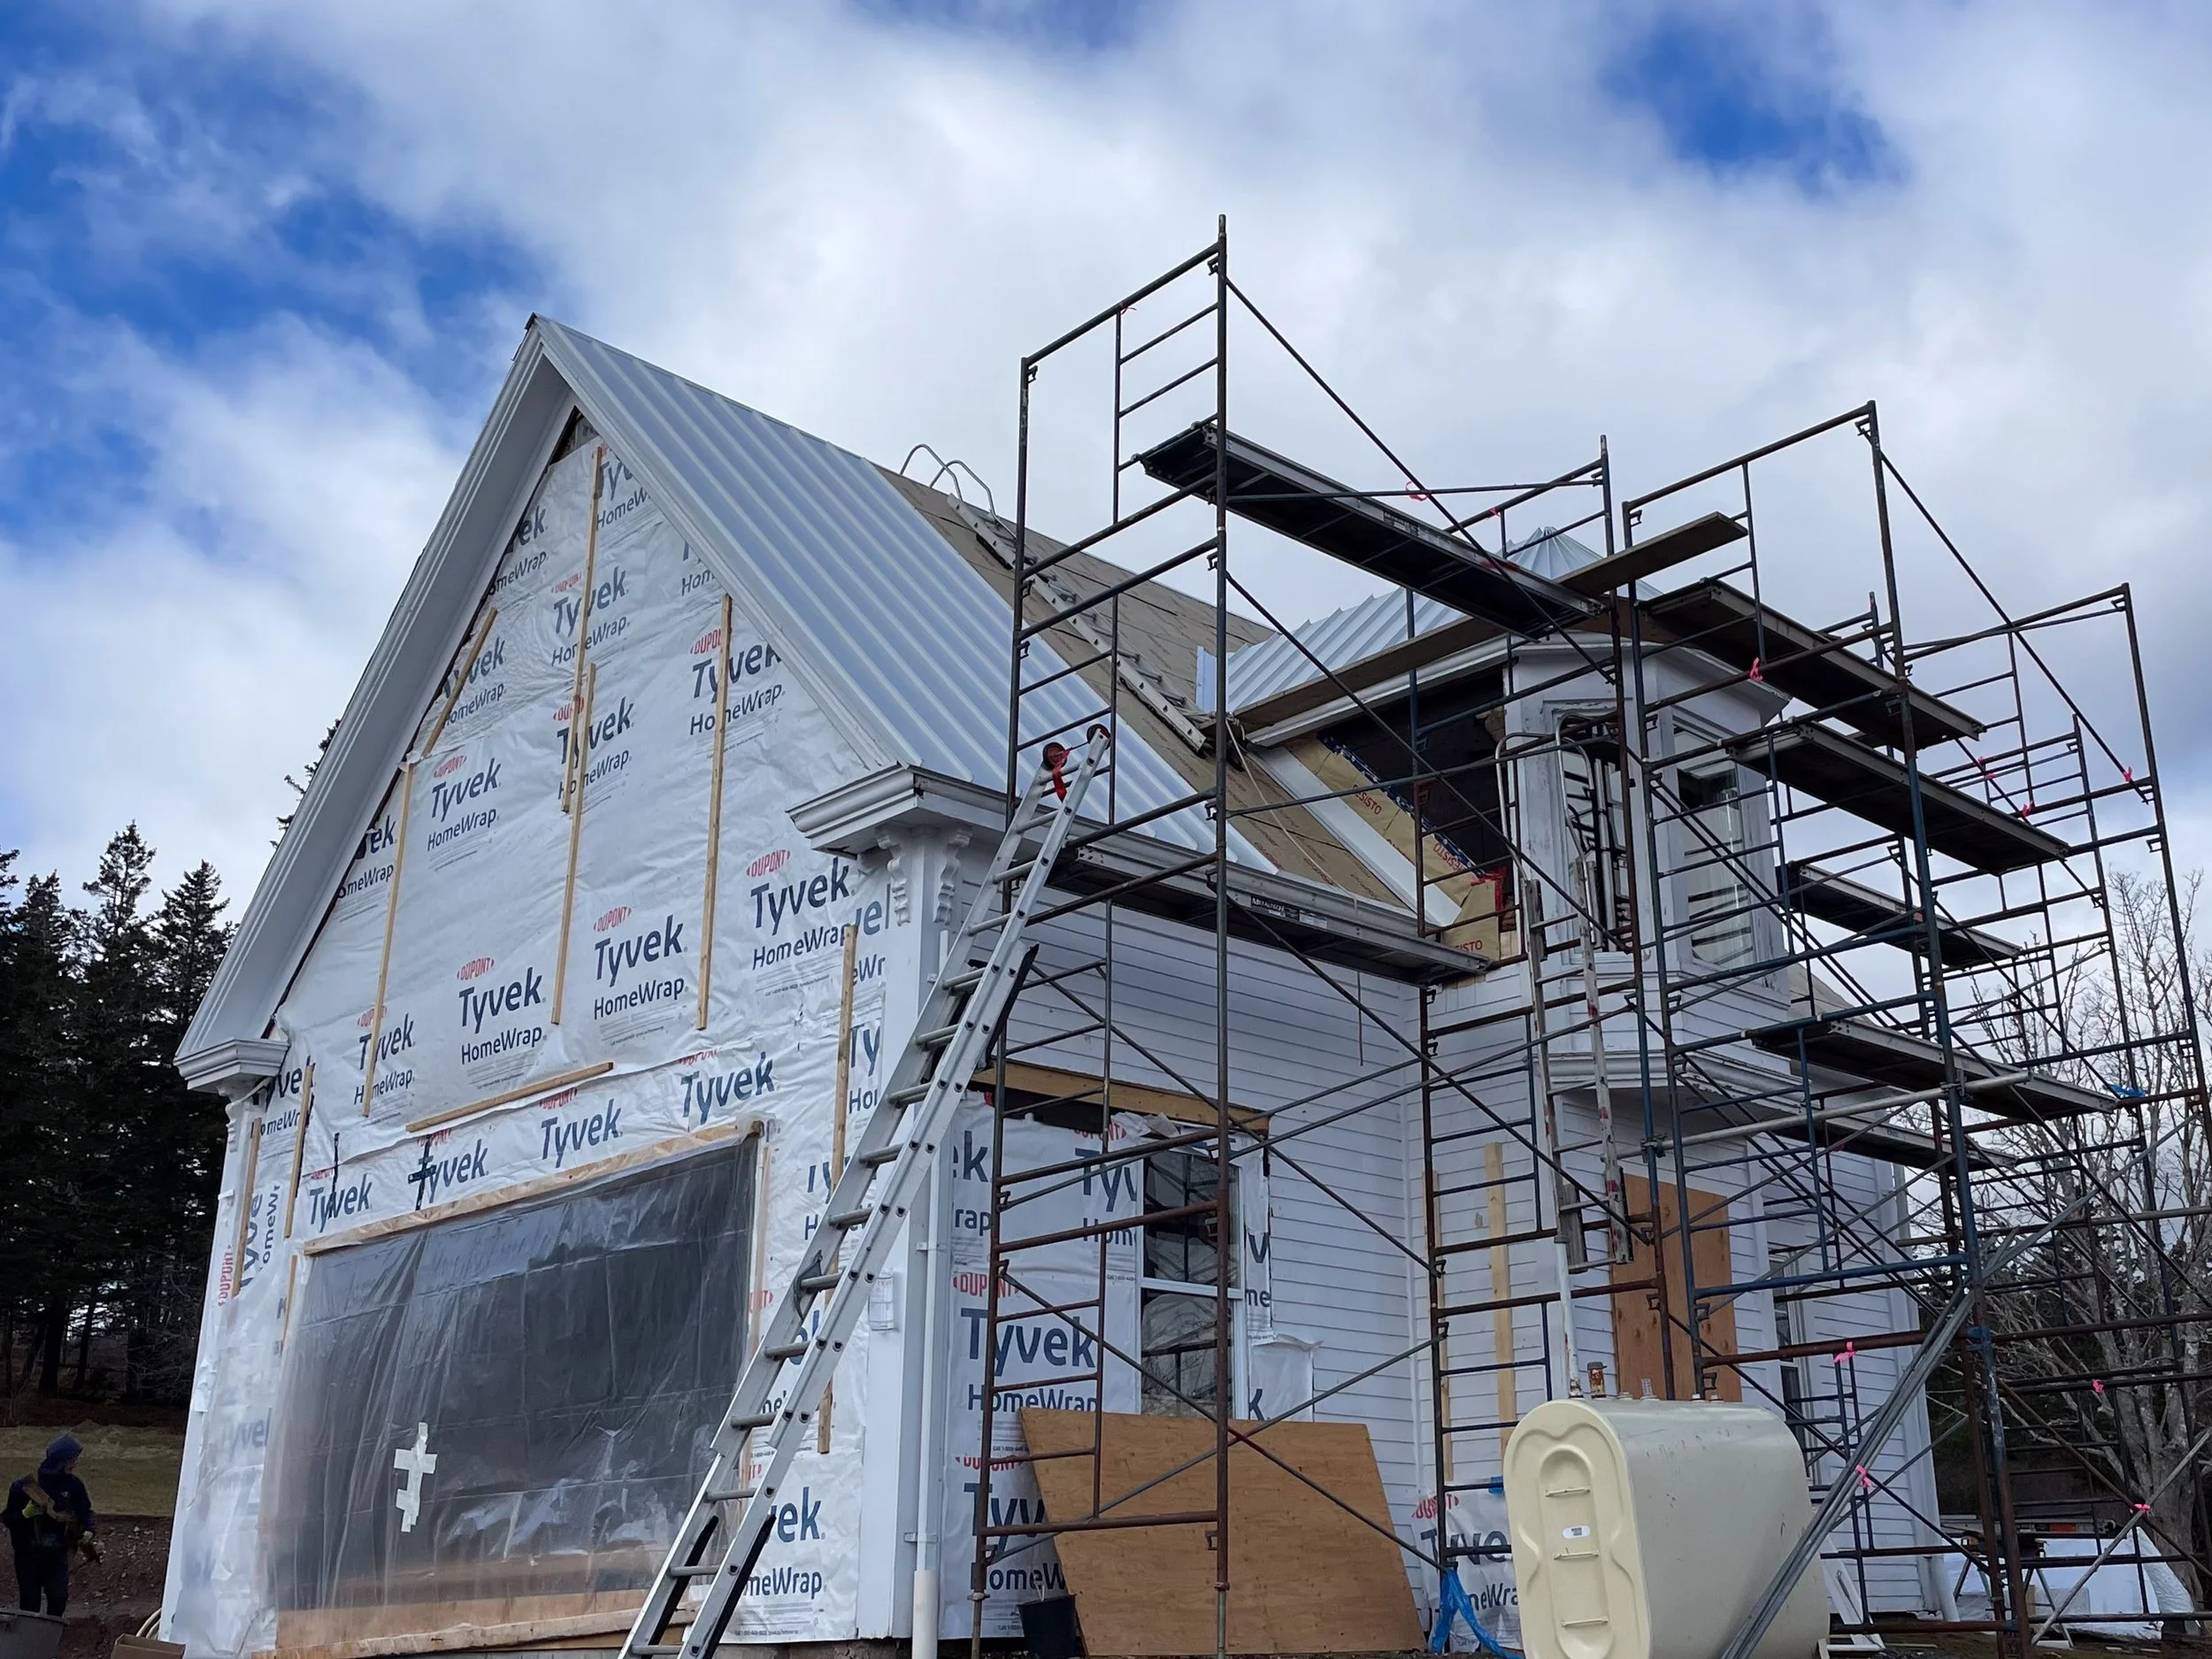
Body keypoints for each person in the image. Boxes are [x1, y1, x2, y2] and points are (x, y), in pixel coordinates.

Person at [5, 1432, 98, 1616]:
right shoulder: (24, 1488)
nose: (74, 1463)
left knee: (58, 1598)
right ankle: (29, 1640)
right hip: (29, 1555)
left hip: (57, 1554)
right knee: (30, 1604)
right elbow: (9, 1519)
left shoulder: (75, 1486)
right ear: (59, 1460)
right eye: (71, 1459)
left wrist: (89, 1530)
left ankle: (51, 1637)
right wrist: (25, 1514)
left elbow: (85, 1512)